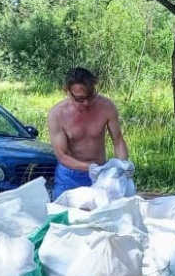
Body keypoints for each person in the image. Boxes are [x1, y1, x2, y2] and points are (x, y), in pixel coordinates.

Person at [47, 67, 129, 199]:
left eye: (91, 96)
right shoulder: (57, 115)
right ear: (67, 91)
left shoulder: (106, 107)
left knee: (104, 216)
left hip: (101, 176)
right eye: (80, 99)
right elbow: (62, 155)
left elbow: (118, 141)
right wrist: (89, 167)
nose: (86, 103)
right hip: (70, 177)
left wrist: (124, 165)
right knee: (64, 216)